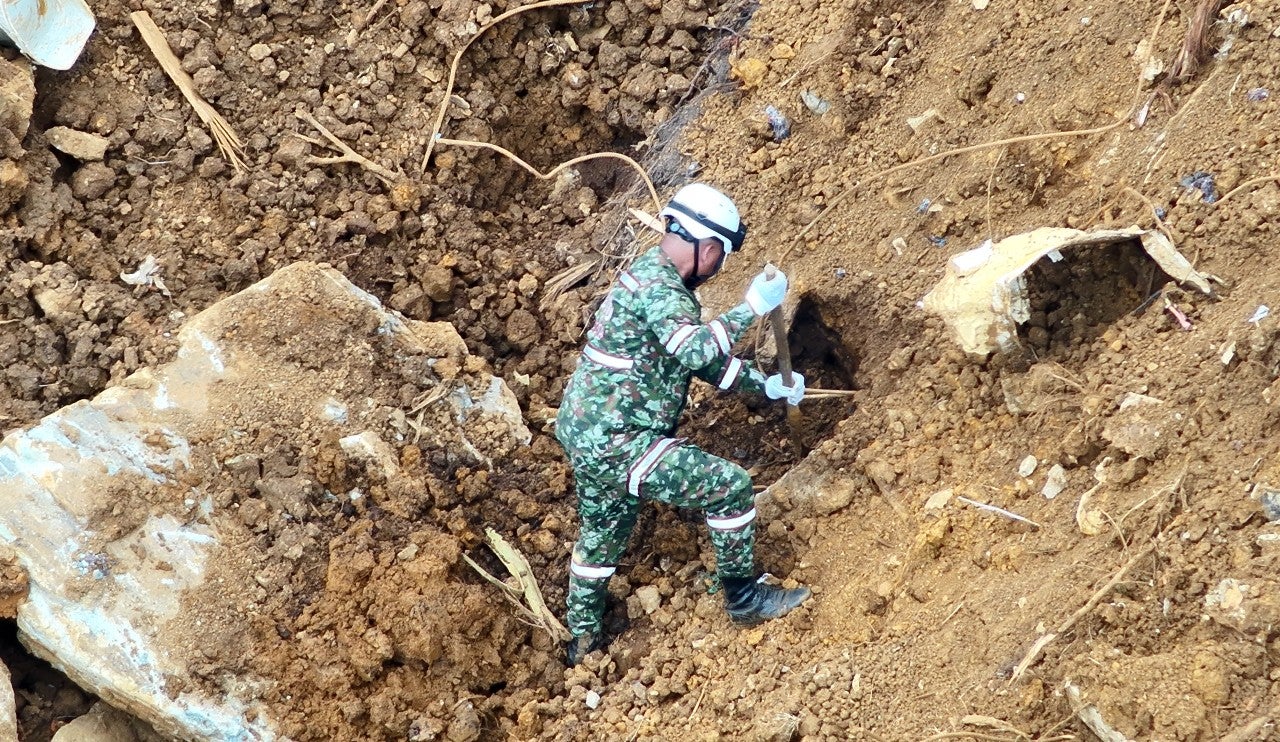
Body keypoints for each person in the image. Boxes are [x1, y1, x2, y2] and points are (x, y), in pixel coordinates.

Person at [554, 182, 811, 666]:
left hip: (589, 433)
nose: (717, 267)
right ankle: (744, 599)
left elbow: (702, 362)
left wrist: (766, 386)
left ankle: (582, 643)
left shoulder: (650, 277)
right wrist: (752, 307)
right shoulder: (661, 287)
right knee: (730, 486)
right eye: (721, 257)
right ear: (708, 249)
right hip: (620, 439)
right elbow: (694, 349)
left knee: (602, 535)